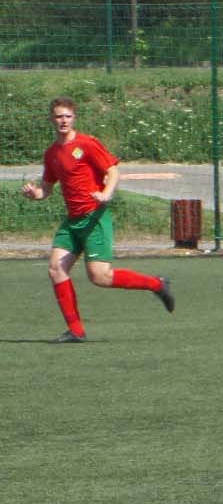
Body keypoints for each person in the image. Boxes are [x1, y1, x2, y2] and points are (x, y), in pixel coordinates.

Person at [18, 96, 174, 342]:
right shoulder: (52, 153)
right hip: (73, 221)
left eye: (68, 116)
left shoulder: (87, 144)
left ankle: (156, 284)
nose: (63, 120)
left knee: (99, 277)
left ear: (74, 118)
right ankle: (76, 331)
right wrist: (34, 194)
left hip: (94, 218)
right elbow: (45, 190)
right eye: (59, 116)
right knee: (56, 269)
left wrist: (106, 193)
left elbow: (113, 171)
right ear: (51, 119)